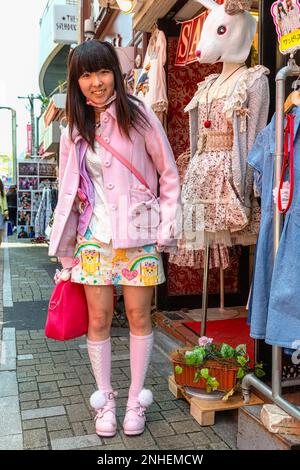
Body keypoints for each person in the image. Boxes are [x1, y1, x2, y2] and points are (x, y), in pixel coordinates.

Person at [48, 40, 181, 438]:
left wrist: (166, 228)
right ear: (76, 81)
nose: (95, 82)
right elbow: (68, 190)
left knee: (140, 317)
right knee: (99, 319)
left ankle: (136, 400)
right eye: (85, 75)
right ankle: (104, 399)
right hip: (94, 236)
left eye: (102, 72)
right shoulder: (75, 126)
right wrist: (66, 251)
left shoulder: (139, 115)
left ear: (116, 74)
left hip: (138, 234)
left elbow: (169, 174)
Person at [0, 179, 9, 246]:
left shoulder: (2, 191)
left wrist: (6, 210)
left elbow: (4, 201)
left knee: (0, 231)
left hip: (1, 212)